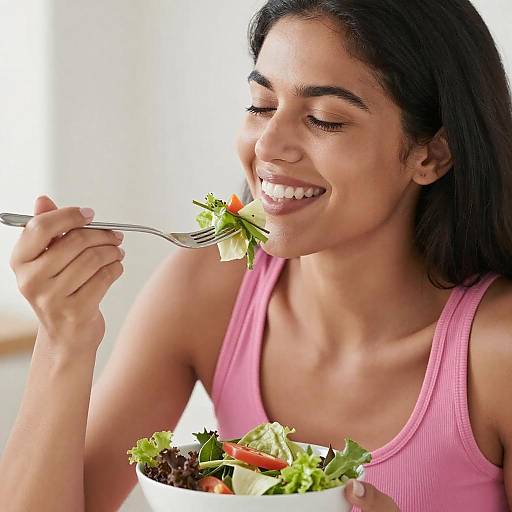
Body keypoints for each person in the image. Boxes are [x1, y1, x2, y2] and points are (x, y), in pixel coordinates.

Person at [1, 0, 511, 510]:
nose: (268, 145)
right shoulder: (207, 291)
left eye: (324, 119)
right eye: (261, 105)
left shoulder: (497, 352)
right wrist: (65, 337)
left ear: (431, 153)